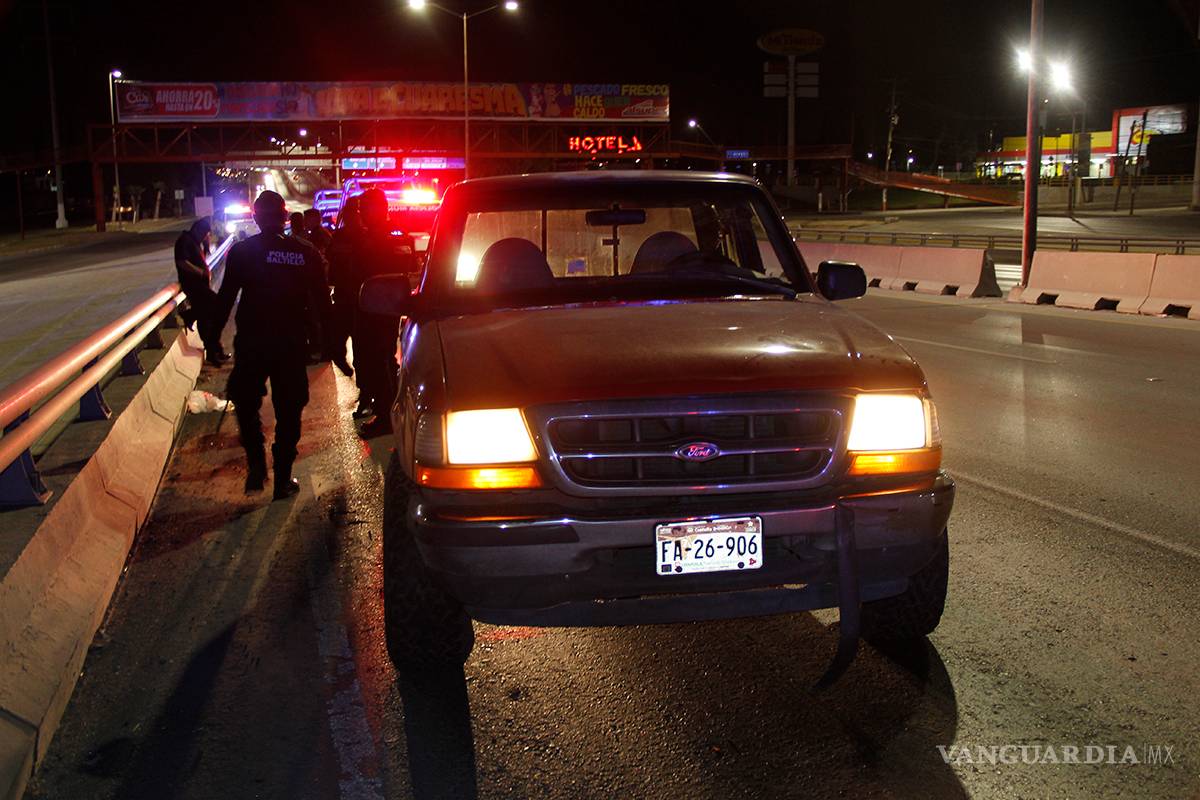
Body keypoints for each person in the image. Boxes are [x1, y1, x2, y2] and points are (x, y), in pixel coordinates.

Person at [213, 191, 330, 500]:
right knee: (289, 411)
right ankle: (283, 478)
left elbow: (225, 299)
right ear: (285, 217)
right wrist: (333, 346)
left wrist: (211, 340)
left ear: (255, 217)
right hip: (290, 345)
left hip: (252, 343)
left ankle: (256, 465)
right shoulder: (306, 253)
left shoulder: (241, 252)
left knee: (246, 403)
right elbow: (323, 306)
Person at [345, 188, 418, 437]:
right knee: (385, 361)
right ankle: (390, 410)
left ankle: (386, 417)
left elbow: (358, 274)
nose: (362, 214)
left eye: (365, 208)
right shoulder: (397, 234)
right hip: (388, 308)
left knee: (376, 362)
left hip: (372, 309)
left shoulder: (369, 239)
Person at [173, 217, 228, 365]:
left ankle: (214, 352)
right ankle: (189, 315)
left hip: (201, 285)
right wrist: (200, 272)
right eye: (205, 233)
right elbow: (182, 262)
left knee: (206, 320)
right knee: (217, 305)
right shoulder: (184, 241)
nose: (205, 236)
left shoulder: (195, 241)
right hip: (193, 285)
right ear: (197, 229)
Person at [326, 195, 364, 383]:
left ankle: (366, 391)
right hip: (345, 296)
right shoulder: (341, 236)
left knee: (362, 347)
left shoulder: (365, 236)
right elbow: (331, 261)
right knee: (339, 342)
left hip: (361, 298)